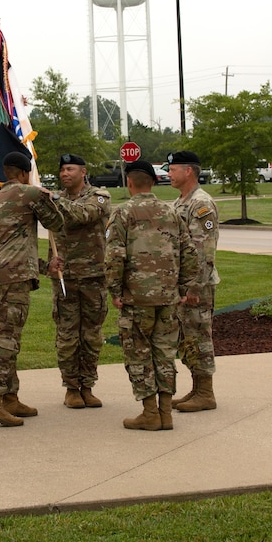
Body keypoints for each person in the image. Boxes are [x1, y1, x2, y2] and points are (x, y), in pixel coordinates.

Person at [105, 160, 199, 431]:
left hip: (137, 299)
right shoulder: (172, 213)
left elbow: (114, 257)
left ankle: (149, 412)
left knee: (139, 354)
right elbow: (189, 255)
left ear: (129, 183)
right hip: (168, 297)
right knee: (165, 352)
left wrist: (115, 291)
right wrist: (181, 289)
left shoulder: (123, 213)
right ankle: (165, 412)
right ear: (154, 182)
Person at [0, 151, 64, 427]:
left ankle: (9, 397)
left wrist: (43, 266)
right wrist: (46, 197)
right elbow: (57, 222)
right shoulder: (30, 194)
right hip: (13, 279)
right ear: (26, 173)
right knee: (8, 338)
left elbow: (12, 245)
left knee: (2, 334)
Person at [46, 153, 111, 408]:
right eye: (62, 170)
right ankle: (71, 387)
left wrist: (54, 199)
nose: (65, 174)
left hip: (93, 275)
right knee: (67, 334)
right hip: (65, 276)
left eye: (70, 169)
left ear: (83, 172)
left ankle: (88, 385)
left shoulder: (99, 196)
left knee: (92, 335)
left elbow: (82, 215)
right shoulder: (54, 199)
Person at [167, 150, 219, 412]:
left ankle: (206, 393)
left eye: (173, 169)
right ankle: (197, 388)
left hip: (195, 285)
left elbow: (203, 251)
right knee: (188, 337)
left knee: (199, 335)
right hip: (182, 283)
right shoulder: (180, 202)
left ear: (188, 171)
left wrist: (194, 287)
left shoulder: (201, 204)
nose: (168, 173)